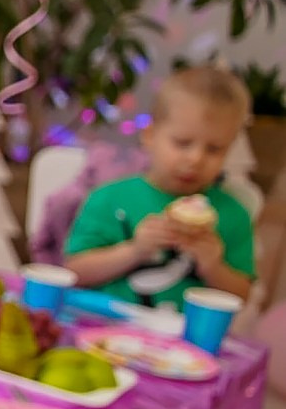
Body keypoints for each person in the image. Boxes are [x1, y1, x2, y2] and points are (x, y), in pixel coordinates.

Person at [64, 66, 257, 306]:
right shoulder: (109, 199)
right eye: (182, 143)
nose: (196, 159)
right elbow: (74, 273)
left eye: (214, 149)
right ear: (150, 136)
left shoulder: (232, 215)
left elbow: (242, 297)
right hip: (105, 330)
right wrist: (135, 250)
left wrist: (213, 266)